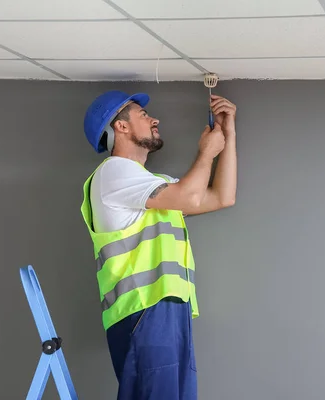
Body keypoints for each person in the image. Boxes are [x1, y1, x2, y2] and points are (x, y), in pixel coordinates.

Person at [79, 89, 237, 400]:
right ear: (120, 126)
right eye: (143, 115)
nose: (155, 119)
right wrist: (206, 153)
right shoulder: (114, 173)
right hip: (143, 314)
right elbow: (190, 196)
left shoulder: (150, 185)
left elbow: (222, 196)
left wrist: (228, 134)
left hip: (166, 312)